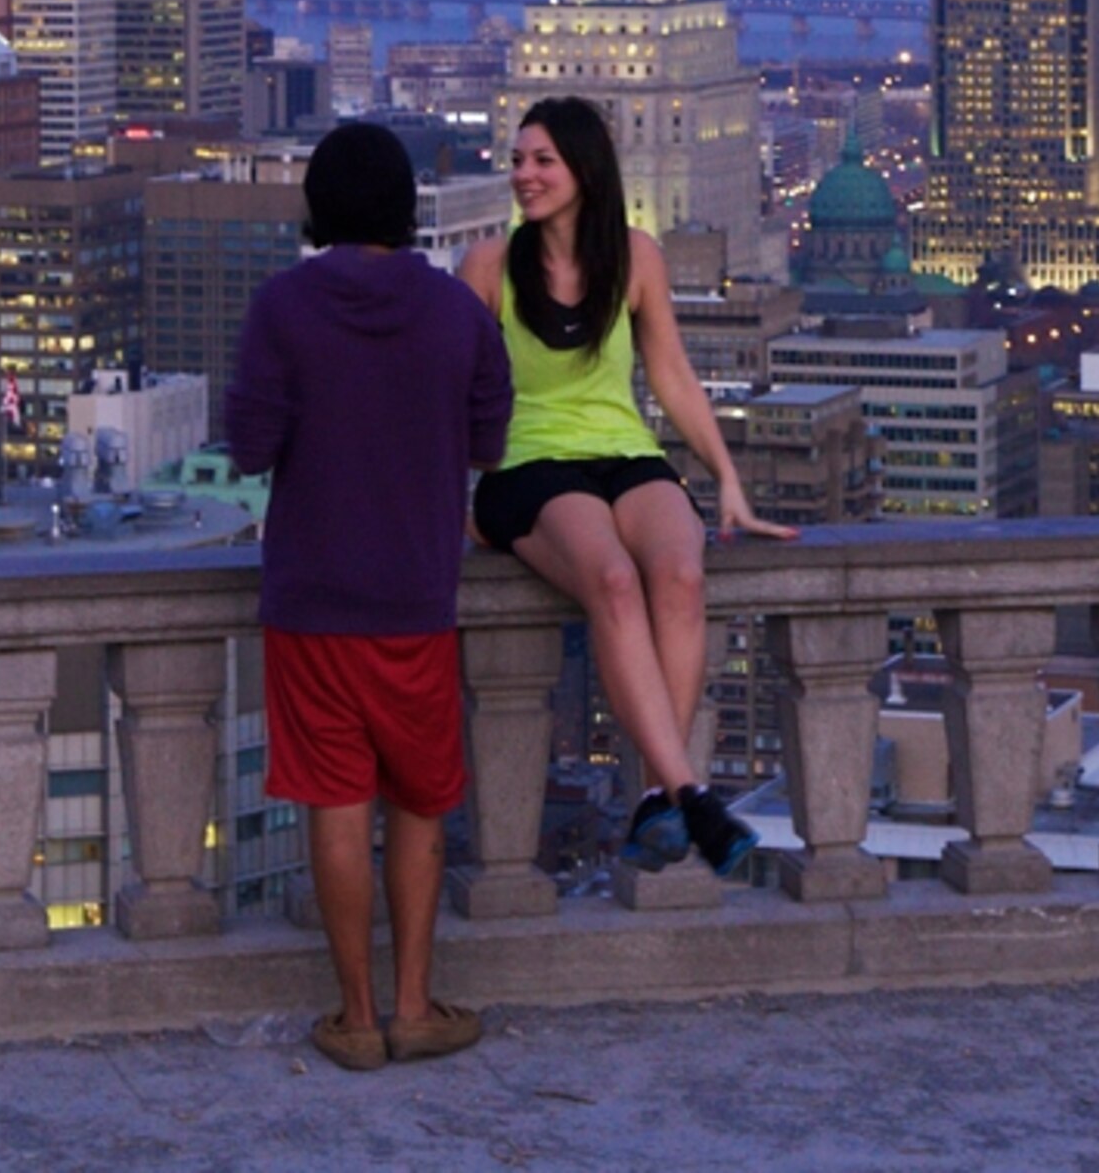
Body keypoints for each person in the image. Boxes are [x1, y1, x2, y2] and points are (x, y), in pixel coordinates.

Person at [226, 121, 513, 1072]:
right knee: (420, 808)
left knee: (338, 806)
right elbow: (488, 447)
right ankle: (413, 1007)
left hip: (311, 600)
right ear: (404, 207)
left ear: (318, 211)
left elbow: (250, 448)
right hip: (417, 599)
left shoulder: (282, 306)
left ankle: (353, 1021)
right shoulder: (457, 314)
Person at [456, 94, 797, 877]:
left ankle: (656, 801)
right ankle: (691, 795)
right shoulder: (486, 266)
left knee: (679, 571)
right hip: (528, 465)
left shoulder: (637, 257)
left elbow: (670, 376)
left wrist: (729, 482)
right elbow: (449, 388)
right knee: (612, 579)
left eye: (542, 160)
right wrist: (456, 497)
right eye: (516, 161)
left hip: (625, 452)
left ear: (584, 167)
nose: (524, 175)